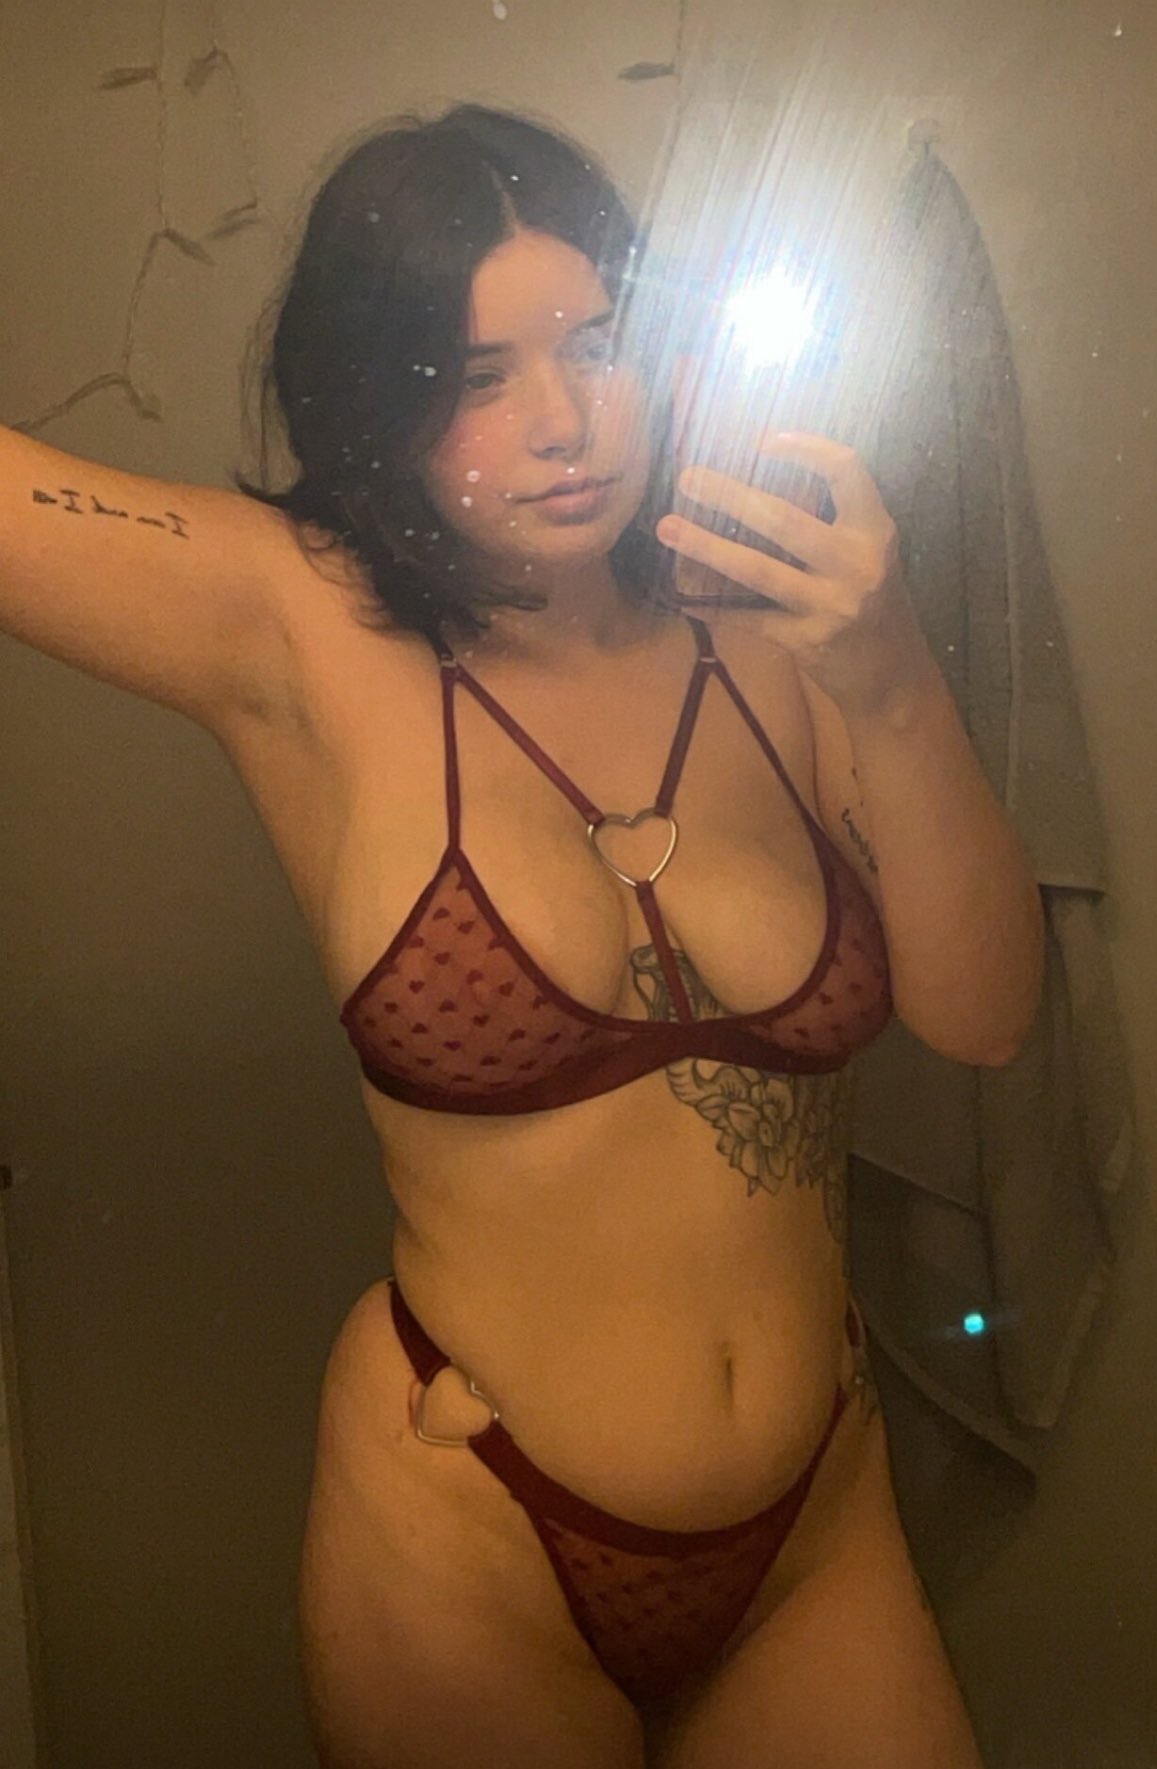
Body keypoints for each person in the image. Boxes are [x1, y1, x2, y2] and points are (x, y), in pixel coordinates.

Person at [1, 102, 1044, 1768]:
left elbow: (984, 1016)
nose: (563, 423)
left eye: (596, 344)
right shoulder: (298, 620)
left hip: (811, 1531)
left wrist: (893, 675)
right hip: (468, 1532)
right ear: (374, 398)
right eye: (475, 376)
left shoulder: (779, 629)